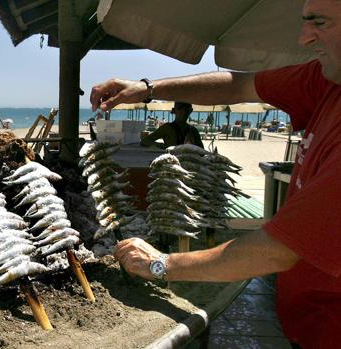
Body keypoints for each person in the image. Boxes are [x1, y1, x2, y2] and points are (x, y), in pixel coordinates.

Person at [89, 1, 341, 346]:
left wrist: (161, 264)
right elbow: (238, 86)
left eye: (320, 23)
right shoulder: (328, 81)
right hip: (308, 323)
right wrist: (148, 89)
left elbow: (276, 249)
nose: (303, 38)